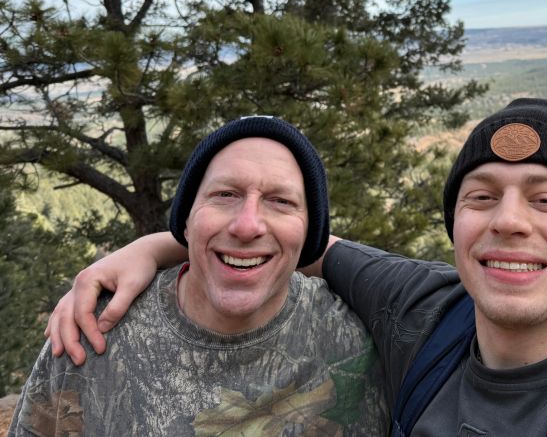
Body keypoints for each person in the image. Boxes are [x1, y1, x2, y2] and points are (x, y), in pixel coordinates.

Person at [40, 99, 547, 436]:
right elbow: (278, 239)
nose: (507, 219)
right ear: (456, 225)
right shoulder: (423, 315)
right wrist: (155, 243)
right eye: (482, 195)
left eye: (546, 199)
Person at [8, 116, 388, 436]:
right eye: (225, 194)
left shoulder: (364, 338)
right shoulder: (92, 333)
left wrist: (150, 247)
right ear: (187, 221)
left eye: (281, 201)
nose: (247, 225)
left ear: (309, 234)